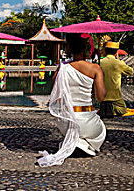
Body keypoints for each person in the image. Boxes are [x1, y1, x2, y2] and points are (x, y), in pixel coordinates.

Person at [38, 33, 106, 167]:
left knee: (78, 128)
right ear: (85, 48)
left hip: (65, 122)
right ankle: (82, 144)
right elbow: (101, 97)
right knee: (101, 130)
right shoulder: (94, 68)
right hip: (87, 122)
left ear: (69, 49)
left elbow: (55, 93)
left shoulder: (62, 68)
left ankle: (74, 142)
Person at [99, 41, 134, 117]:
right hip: (115, 95)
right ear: (116, 52)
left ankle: (105, 108)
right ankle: (111, 108)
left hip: (101, 95)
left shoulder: (100, 62)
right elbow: (131, 72)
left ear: (105, 50)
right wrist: (120, 62)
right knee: (123, 109)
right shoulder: (118, 63)